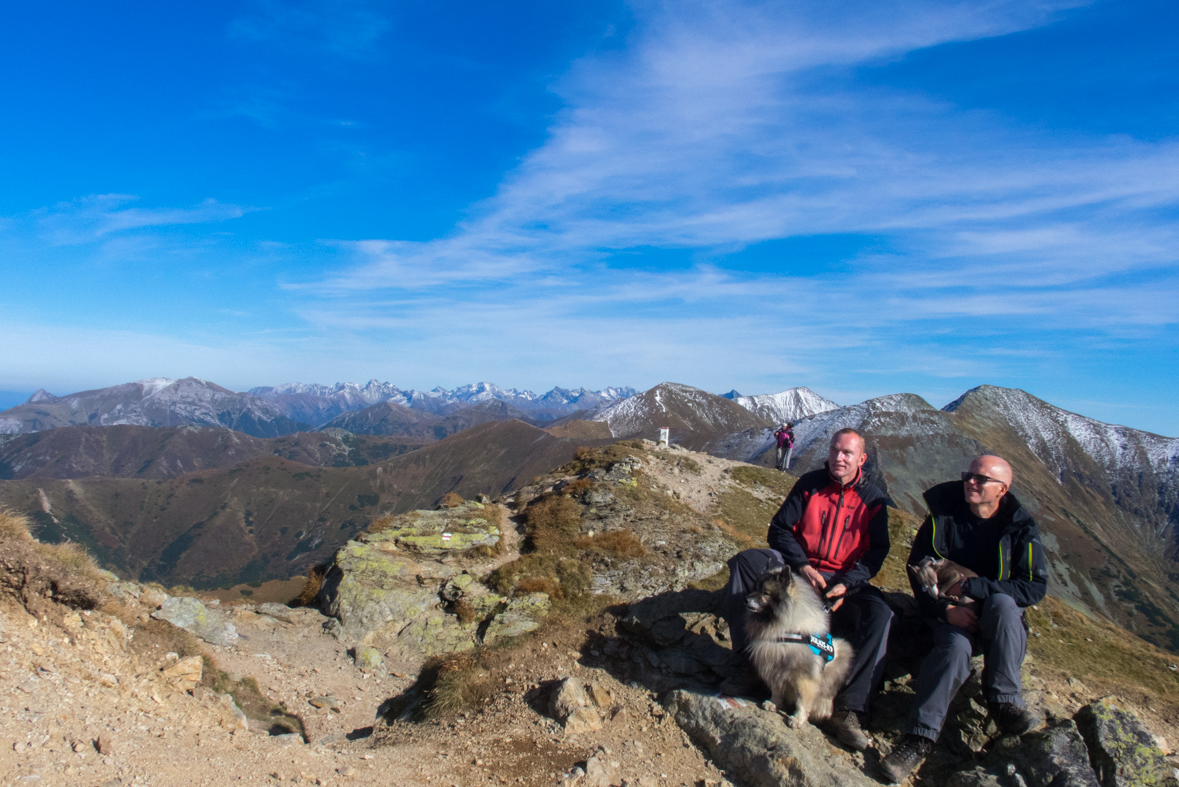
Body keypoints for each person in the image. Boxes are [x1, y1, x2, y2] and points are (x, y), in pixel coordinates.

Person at [720, 428, 894, 751]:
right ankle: (750, 664)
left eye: (847, 453)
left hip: (844, 581)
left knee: (881, 612)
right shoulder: (809, 485)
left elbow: (876, 553)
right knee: (745, 563)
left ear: (862, 459)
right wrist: (802, 566)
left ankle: (850, 708)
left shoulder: (873, 501)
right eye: (834, 450)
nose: (838, 458)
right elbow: (779, 530)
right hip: (799, 572)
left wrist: (846, 583)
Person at [878, 455, 1048, 783]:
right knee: (954, 650)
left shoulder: (1020, 528)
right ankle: (918, 741)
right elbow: (918, 571)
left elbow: (1034, 586)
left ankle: (1004, 701)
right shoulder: (943, 518)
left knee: (1001, 602)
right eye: (968, 475)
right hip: (951, 615)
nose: (970, 481)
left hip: (999, 622)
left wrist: (973, 586)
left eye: (981, 478)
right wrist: (945, 611)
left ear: (1002, 489)